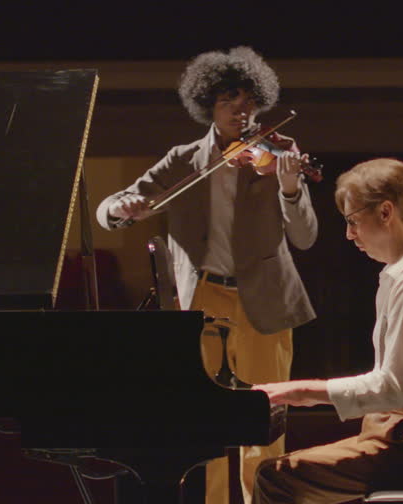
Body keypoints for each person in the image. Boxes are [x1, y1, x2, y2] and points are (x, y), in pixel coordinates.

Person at [96, 45, 318, 504]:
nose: (240, 109)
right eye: (227, 100)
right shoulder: (182, 160)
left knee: (265, 419)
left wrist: (291, 186)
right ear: (208, 108)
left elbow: (305, 236)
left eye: (247, 100)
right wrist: (122, 208)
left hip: (265, 299)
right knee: (210, 425)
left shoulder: (278, 154)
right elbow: (108, 210)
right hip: (203, 301)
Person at [252, 158, 403, 504]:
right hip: (400, 434)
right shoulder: (401, 274)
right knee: (282, 468)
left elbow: (394, 388)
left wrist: (303, 390)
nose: (349, 234)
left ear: (386, 212)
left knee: (275, 477)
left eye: (354, 221)